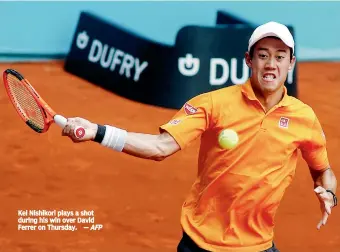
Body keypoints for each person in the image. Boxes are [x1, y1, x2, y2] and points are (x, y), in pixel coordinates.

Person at [62, 21, 337, 252]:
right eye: (263, 55)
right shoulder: (213, 104)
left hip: (258, 245)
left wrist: (329, 193)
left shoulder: (304, 118)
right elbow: (160, 146)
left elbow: (323, 171)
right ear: (248, 60)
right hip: (201, 243)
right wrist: (97, 131)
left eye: (279, 56)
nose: (271, 64)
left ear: (291, 63)